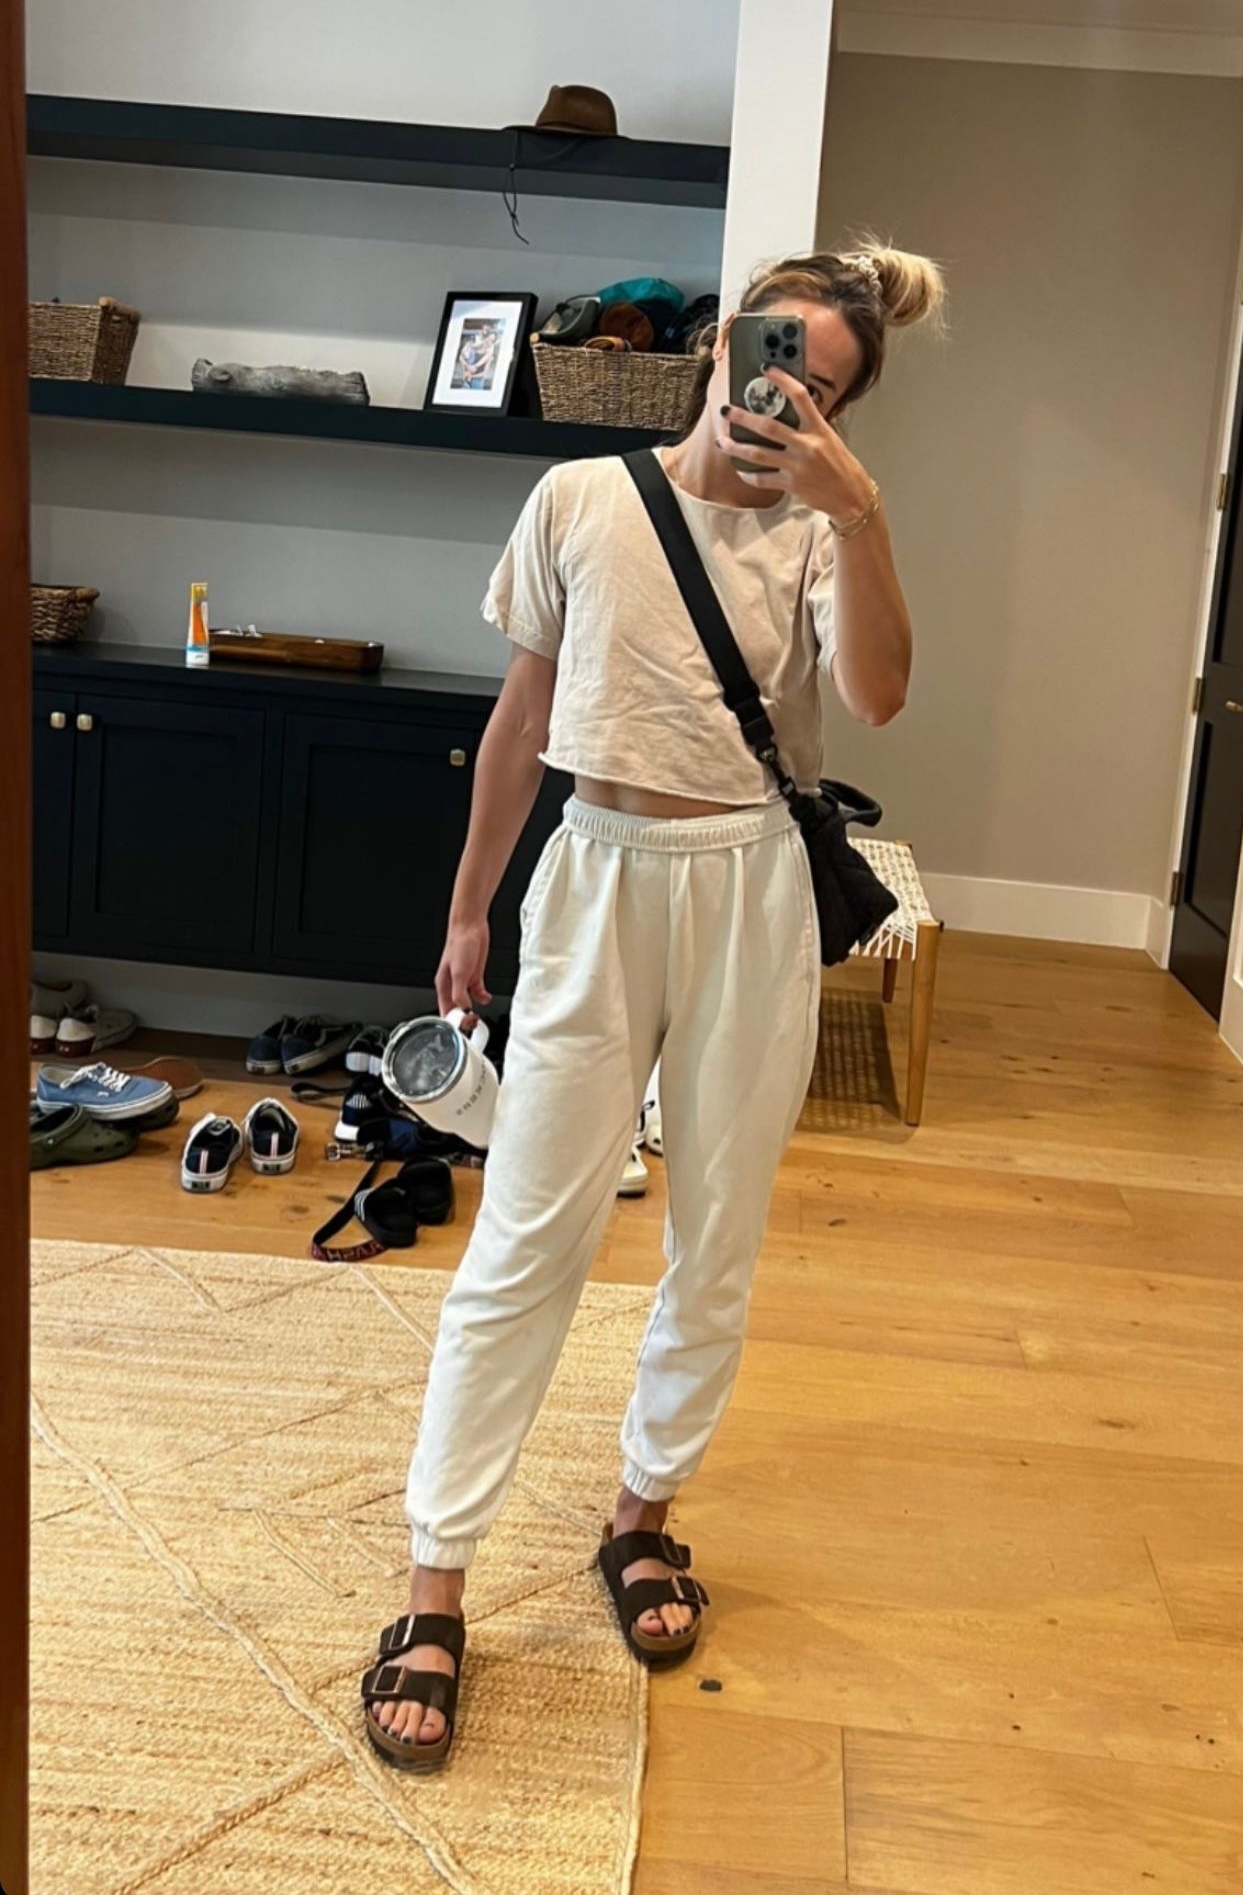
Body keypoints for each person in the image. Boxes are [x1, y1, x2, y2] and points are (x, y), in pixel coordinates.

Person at [362, 241, 946, 1770]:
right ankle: (435, 1580)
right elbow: (521, 718)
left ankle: (641, 1513)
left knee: (718, 1229)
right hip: (595, 873)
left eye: (824, 393)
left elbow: (877, 697)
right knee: (527, 1230)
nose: (786, 401)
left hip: (751, 884)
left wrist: (863, 515)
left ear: (842, 414)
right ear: (724, 338)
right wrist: (471, 903)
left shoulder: (822, 531)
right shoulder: (580, 498)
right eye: (776, 359)